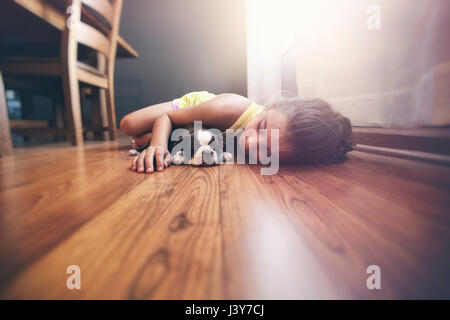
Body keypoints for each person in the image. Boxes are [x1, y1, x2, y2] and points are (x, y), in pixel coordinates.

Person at [120, 91, 354, 173]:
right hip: (191, 109)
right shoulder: (231, 107)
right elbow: (167, 117)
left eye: (267, 151)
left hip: (205, 135)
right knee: (128, 125)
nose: (251, 144)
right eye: (262, 127)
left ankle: (167, 136)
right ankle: (159, 136)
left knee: (165, 138)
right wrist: (157, 147)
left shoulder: (291, 151)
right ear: (270, 107)